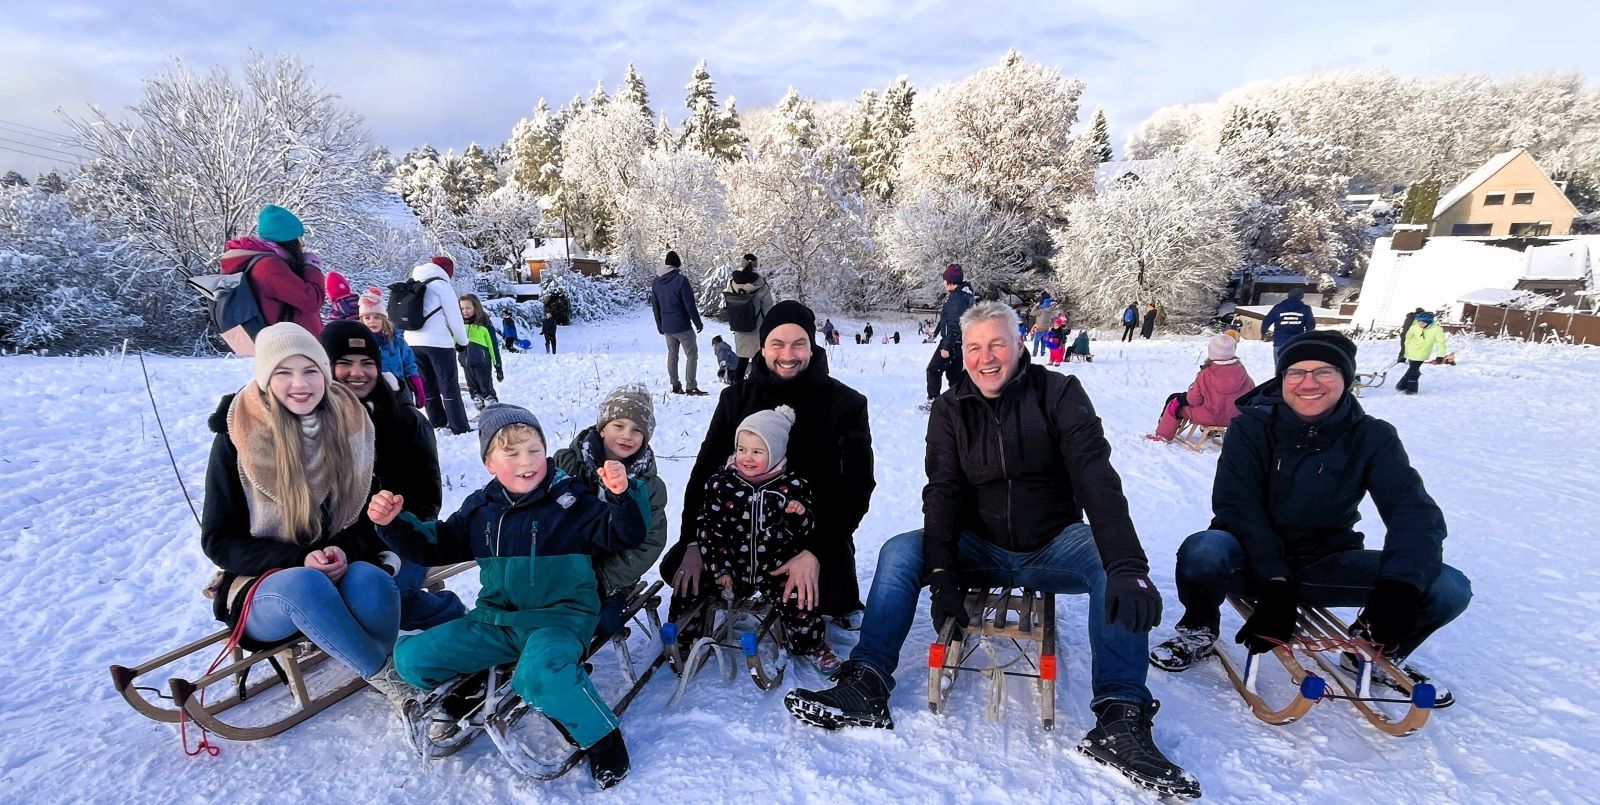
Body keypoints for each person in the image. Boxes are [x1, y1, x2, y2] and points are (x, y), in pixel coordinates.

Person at [783, 301, 1197, 798]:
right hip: (979, 544)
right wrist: (940, 569)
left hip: (1053, 543)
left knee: (1112, 566)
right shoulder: (950, 408)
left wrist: (1129, 565)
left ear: (1020, 343)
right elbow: (943, 490)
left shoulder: (1060, 393)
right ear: (962, 352)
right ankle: (867, 683)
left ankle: (1119, 718)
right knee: (899, 551)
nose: (986, 357)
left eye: (997, 343)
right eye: (974, 347)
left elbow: (1096, 478)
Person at [1149, 331, 1470, 707]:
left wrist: (1401, 586)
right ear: (1282, 379)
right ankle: (1198, 629)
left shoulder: (1372, 437)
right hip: (1253, 563)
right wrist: (1275, 581)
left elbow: (1414, 512)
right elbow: (1237, 506)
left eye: (1324, 372)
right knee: (1203, 549)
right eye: (1296, 373)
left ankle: (1377, 650)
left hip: (1326, 561)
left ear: (1346, 378)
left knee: (1449, 587)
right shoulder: (1251, 427)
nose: (1309, 383)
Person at [369, 404, 646, 789]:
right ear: (488, 463)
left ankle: (602, 737)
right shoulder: (482, 509)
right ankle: (475, 686)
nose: (526, 461)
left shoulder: (571, 501)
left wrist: (622, 496)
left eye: (534, 450)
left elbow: (624, 534)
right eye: (511, 453)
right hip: (497, 619)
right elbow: (437, 545)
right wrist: (394, 524)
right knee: (410, 659)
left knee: (539, 676)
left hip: (560, 618)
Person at [199, 323, 406, 707]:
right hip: (266, 586)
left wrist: (344, 549)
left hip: (335, 568)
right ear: (265, 379)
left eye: (311, 370)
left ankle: (375, 665)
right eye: (284, 372)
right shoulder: (237, 436)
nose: (301, 384)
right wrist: (298, 558)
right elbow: (218, 540)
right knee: (305, 584)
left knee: (371, 580)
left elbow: (366, 520)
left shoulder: (351, 421)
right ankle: (396, 681)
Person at [661, 300, 874, 625]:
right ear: (763, 346)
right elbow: (703, 473)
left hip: (811, 536)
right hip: (735, 536)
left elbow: (858, 487)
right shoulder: (736, 400)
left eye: (798, 344)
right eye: (777, 344)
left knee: (830, 597)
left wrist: (816, 550)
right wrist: (692, 540)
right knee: (678, 567)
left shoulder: (847, 404)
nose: (788, 355)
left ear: (811, 346)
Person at [320, 320, 464, 630]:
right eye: (344, 363)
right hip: (338, 543)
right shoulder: (313, 425)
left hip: (401, 535)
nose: (357, 373)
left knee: (388, 600)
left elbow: (427, 499)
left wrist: (390, 526)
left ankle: (454, 617)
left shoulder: (405, 419)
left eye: (367, 363)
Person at [691, 405, 840, 671]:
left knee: (799, 596)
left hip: (775, 566)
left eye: (757, 452)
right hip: (731, 564)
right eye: (741, 449)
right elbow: (709, 529)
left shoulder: (792, 487)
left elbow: (803, 534)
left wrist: (798, 516)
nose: (747, 458)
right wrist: (719, 566)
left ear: (776, 453)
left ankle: (811, 644)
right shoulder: (721, 484)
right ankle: (685, 636)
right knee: (692, 587)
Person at [552, 384, 669, 639]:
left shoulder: (649, 485)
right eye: (619, 426)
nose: (627, 435)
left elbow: (650, 541)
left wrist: (604, 579)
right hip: (561, 566)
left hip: (610, 578)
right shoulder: (567, 463)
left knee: (600, 622)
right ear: (602, 428)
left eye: (637, 430)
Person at [219, 205, 327, 338]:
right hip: (290, 345)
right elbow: (312, 300)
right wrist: (312, 267)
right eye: (298, 239)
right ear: (289, 241)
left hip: (288, 343)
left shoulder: (262, 262)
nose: (302, 245)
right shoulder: (269, 267)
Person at [402, 256, 472, 435]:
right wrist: (463, 342)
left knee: (428, 384)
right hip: (439, 344)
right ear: (447, 272)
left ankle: (437, 422)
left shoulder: (413, 282)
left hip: (412, 342)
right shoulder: (442, 286)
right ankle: (459, 427)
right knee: (448, 385)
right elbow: (455, 319)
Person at [1148, 334, 1254, 442]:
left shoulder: (1206, 374)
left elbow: (1193, 399)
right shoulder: (1242, 372)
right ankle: (1214, 431)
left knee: (1175, 403)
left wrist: (1192, 388)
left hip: (1209, 415)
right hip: (1233, 417)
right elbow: (1251, 393)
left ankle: (1163, 435)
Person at [357, 289, 426, 408]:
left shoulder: (396, 341)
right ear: (362, 320)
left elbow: (408, 362)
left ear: (384, 319)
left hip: (398, 390)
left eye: (377, 317)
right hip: (372, 394)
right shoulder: (360, 343)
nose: (372, 321)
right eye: (367, 318)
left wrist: (416, 382)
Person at [920, 263, 975, 412]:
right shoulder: (964, 295)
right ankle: (959, 402)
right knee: (954, 374)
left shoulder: (957, 299)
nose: (943, 283)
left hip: (952, 342)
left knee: (933, 370)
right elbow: (946, 319)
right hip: (958, 342)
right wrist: (936, 333)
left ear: (951, 281)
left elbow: (955, 325)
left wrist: (946, 347)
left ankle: (933, 401)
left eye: (945, 280)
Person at [650, 250, 706, 395]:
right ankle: (691, 386)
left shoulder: (656, 282)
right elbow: (689, 304)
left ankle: (675, 385)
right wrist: (697, 323)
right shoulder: (681, 280)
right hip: (682, 326)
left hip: (667, 326)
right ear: (677, 264)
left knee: (672, 355)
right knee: (692, 354)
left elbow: (655, 307)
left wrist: (659, 325)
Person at [725, 253, 777, 382]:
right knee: (757, 359)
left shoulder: (732, 283)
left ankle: (737, 389)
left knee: (742, 360)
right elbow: (768, 307)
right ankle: (756, 387)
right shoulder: (760, 284)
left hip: (739, 326)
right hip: (757, 327)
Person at [457, 293, 503, 411]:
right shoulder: (458, 324)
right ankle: (479, 405)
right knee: (472, 387)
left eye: (468, 308)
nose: (465, 311)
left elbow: (493, 347)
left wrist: (498, 366)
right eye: (462, 308)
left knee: (485, 386)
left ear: (475, 308)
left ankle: (492, 405)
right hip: (466, 363)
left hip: (482, 363)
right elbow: (453, 342)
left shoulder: (484, 325)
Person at [1396, 311, 1447, 395]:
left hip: (1423, 353)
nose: (1420, 324)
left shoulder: (1437, 330)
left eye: (1422, 323)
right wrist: (1405, 352)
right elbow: (1407, 339)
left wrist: (1440, 355)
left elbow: (1440, 343)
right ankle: (1406, 387)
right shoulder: (1414, 327)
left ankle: (1406, 387)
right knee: (1413, 369)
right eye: (1419, 322)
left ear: (1429, 322)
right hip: (1411, 351)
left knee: (1413, 369)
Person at [1261, 288, 1316, 363]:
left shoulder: (1278, 307)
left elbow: (1266, 321)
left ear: (1288, 296)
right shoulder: (1305, 309)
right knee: (1295, 366)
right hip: (1296, 342)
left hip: (1280, 341)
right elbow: (1310, 326)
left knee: (1280, 367)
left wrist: (1264, 333)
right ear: (1301, 297)